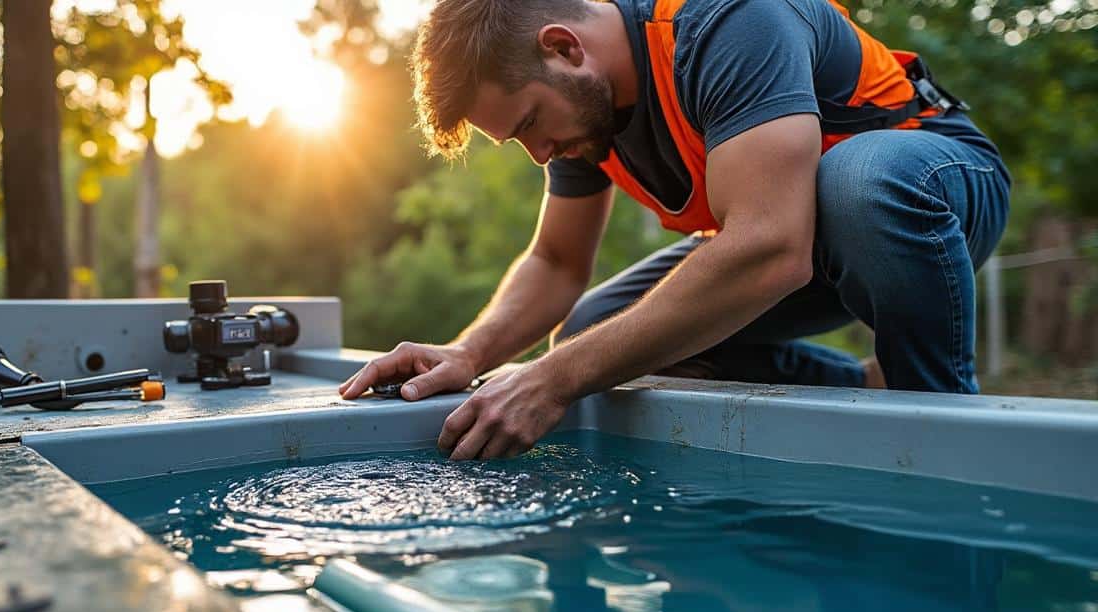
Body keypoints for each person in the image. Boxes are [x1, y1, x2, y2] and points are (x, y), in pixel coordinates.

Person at [340, 0, 1011, 460]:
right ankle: (863, 389)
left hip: (930, 192)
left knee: (857, 180)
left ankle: (939, 414)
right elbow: (556, 263)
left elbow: (771, 247)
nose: (539, 154)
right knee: (592, 333)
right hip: (799, 238)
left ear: (565, 48)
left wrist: (550, 380)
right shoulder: (585, 112)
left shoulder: (727, 24)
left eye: (529, 125)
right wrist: (469, 353)